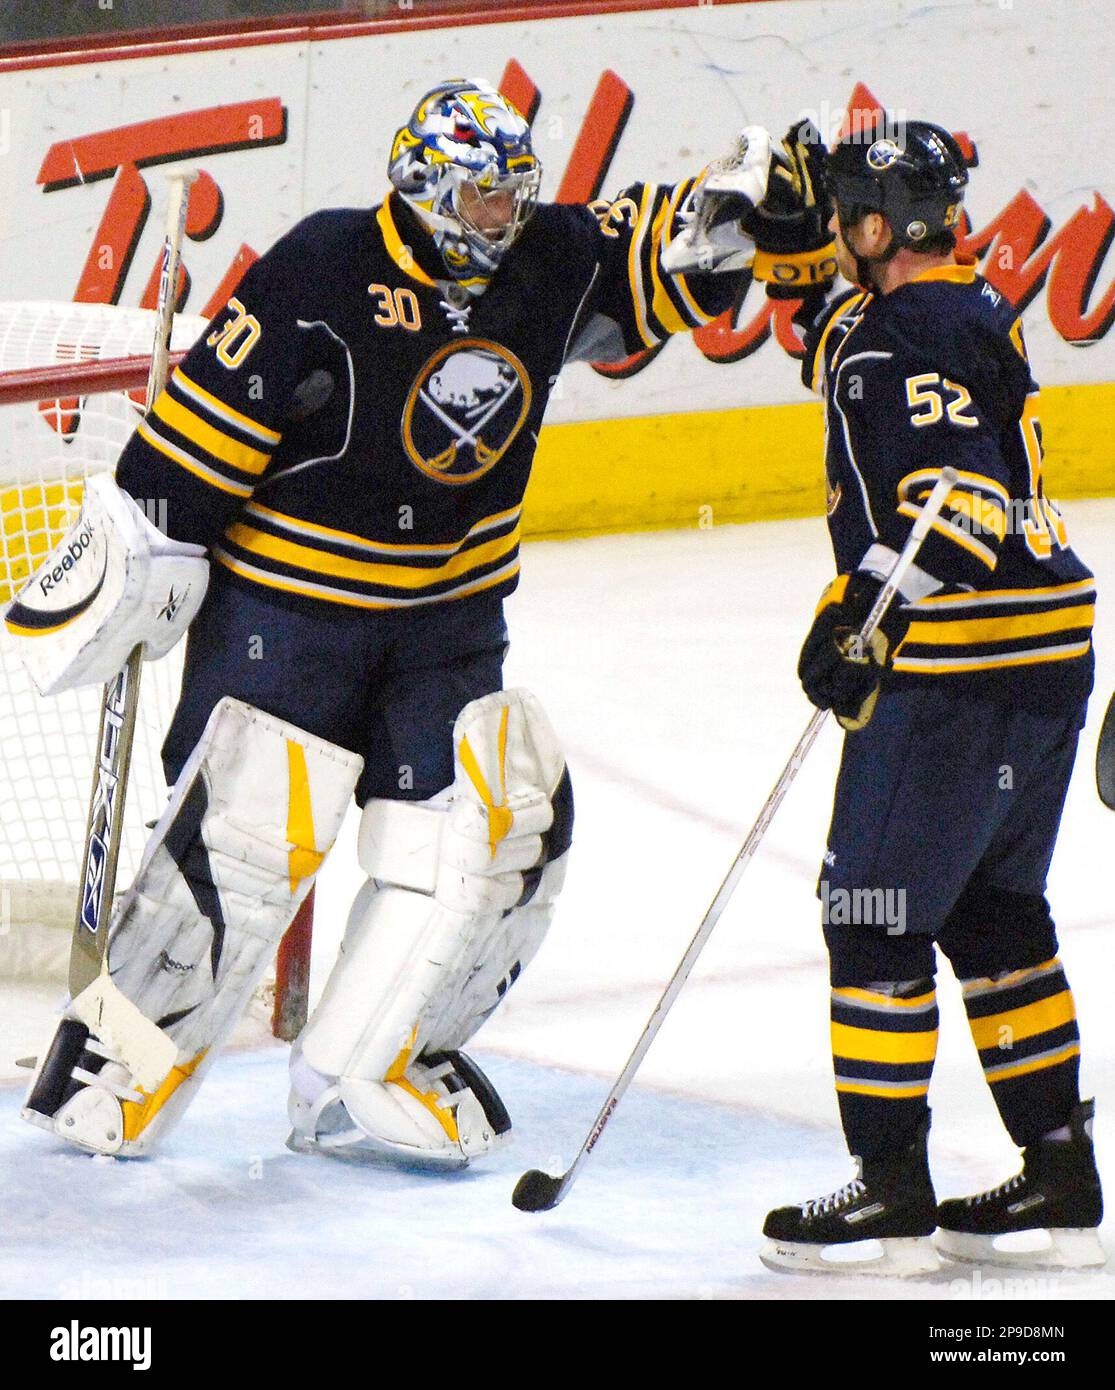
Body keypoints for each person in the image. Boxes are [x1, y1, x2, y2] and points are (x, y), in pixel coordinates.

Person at [17, 83, 810, 1169]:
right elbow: (198, 430)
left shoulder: (540, 259)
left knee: (494, 831)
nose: (505, 221)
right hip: (294, 609)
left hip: (449, 611)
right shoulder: (323, 265)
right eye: (484, 200)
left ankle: (370, 1067)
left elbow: (651, 257)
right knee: (248, 831)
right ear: (427, 186)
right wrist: (140, 554)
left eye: (515, 199)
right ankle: (126, 1059)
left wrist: (728, 216)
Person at [756, 116, 1103, 1274]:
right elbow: (831, 337)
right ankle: (1056, 1168)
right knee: (994, 912)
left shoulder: (889, 345)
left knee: (869, 914)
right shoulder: (958, 316)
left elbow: (957, 502)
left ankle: (890, 1188)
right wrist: (790, 252)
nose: (827, 237)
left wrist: (865, 615)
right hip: (1047, 650)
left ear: (872, 228)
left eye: (837, 218)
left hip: (960, 667)